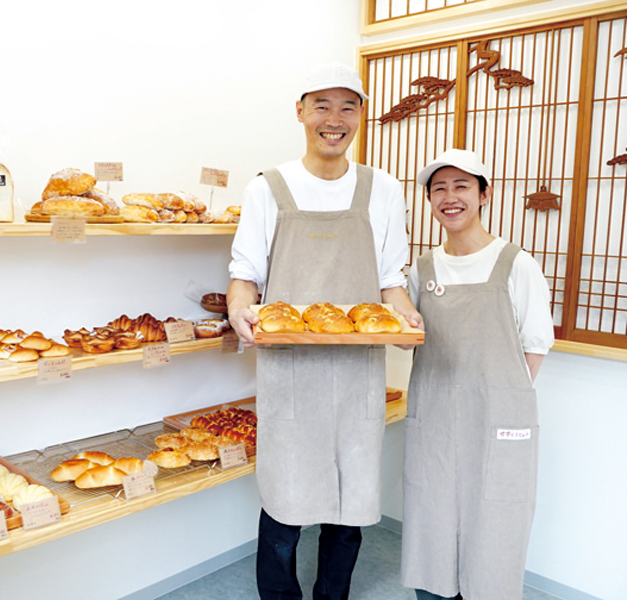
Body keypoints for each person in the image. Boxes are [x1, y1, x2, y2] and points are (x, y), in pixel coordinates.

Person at [227, 62, 422, 600]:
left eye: (348, 107)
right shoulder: (269, 188)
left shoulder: (382, 189)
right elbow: (245, 274)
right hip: (289, 372)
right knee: (284, 503)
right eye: (322, 106)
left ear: (361, 114)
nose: (334, 120)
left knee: (350, 500)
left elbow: (391, 280)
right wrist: (240, 309)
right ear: (300, 112)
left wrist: (406, 317)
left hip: (358, 373)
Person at [400, 149, 555, 600]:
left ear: (484, 195)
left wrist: (501, 401)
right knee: (431, 520)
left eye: (461, 186)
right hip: (435, 417)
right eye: (439, 189)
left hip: (496, 420)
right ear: (430, 200)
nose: (450, 197)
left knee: (495, 523)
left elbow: (535, 344)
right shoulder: (423, 269)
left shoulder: (516, 263)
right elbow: (408, 335)